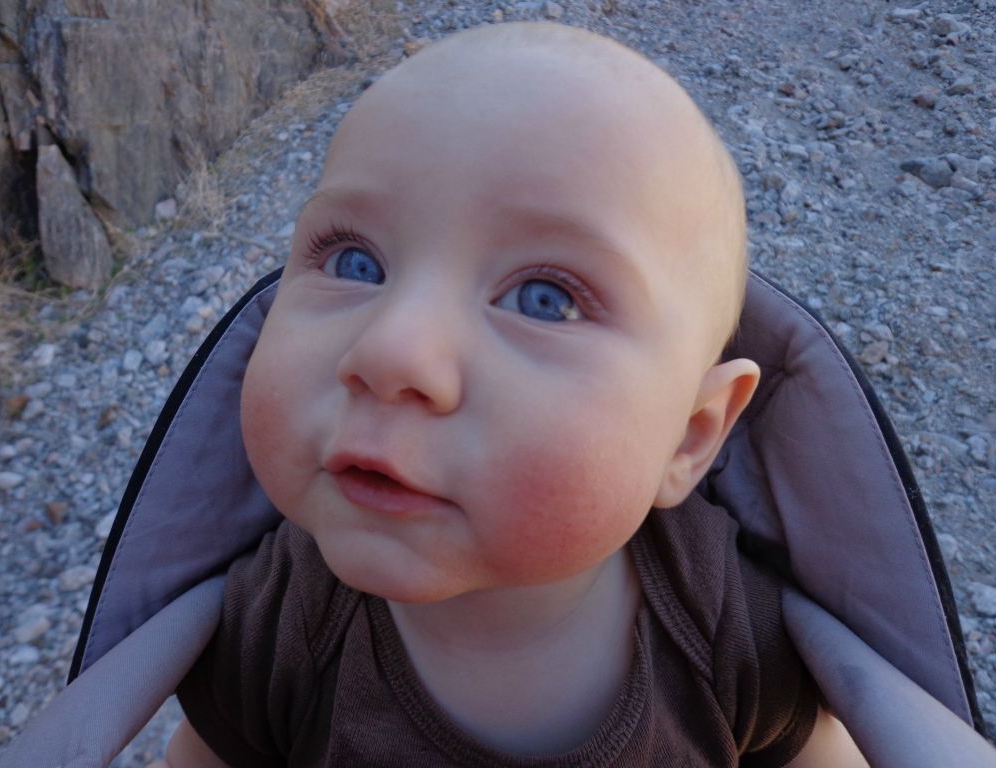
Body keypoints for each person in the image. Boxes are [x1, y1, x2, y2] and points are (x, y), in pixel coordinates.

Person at [151, 21, 867, 767]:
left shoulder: (727, 628)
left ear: (689, 436)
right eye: (356, 264)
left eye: (543, 301)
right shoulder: (274, 632)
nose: (391, 351)